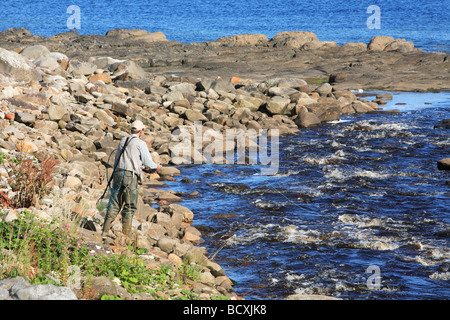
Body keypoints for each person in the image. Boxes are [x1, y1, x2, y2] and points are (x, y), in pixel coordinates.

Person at [102, 120, 161, 240]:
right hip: (130, 176)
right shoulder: (141, 144)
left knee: (114, 202)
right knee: (130, 205)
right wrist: (157, 167)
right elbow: (148, 162)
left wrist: (143, 168)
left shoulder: (123, 140)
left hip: (118, 173)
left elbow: (128, 159)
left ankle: (105, 231)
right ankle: (126, 236)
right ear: (141, 131)